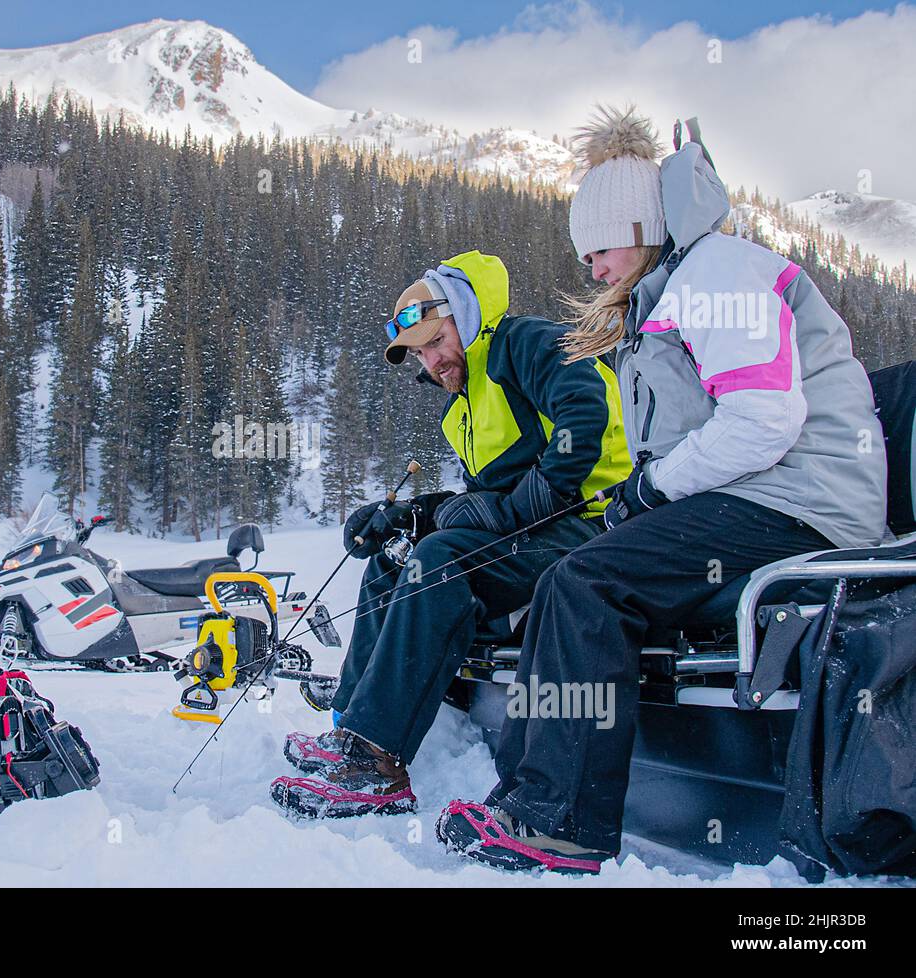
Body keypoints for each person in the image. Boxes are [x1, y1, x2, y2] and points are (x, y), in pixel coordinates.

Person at [436, 107, 888, 874]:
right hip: (763, 498)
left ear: (644, 226)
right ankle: (525, 795)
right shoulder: (671, 292)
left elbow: (763, 420)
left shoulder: (718, 272)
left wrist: (652, 490)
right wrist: (642, 497)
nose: (595, 271)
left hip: (804, 504)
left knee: (587, 583)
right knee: (566, 578)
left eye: (602, 250)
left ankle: (560, 821)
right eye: (586, 258)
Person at [270, 250, 631, 819]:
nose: (433, 361)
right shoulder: (459, 412)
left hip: (594, 527)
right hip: (534, 535)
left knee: (442, 560)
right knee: (398, 556)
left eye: (437, 342)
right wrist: (413, 515)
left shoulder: (527, 343)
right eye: (420, 353)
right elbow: (480, 503)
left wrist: (514, 511)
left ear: (466, 314)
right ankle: (351, 725)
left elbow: (583, 421)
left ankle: (377, 765)